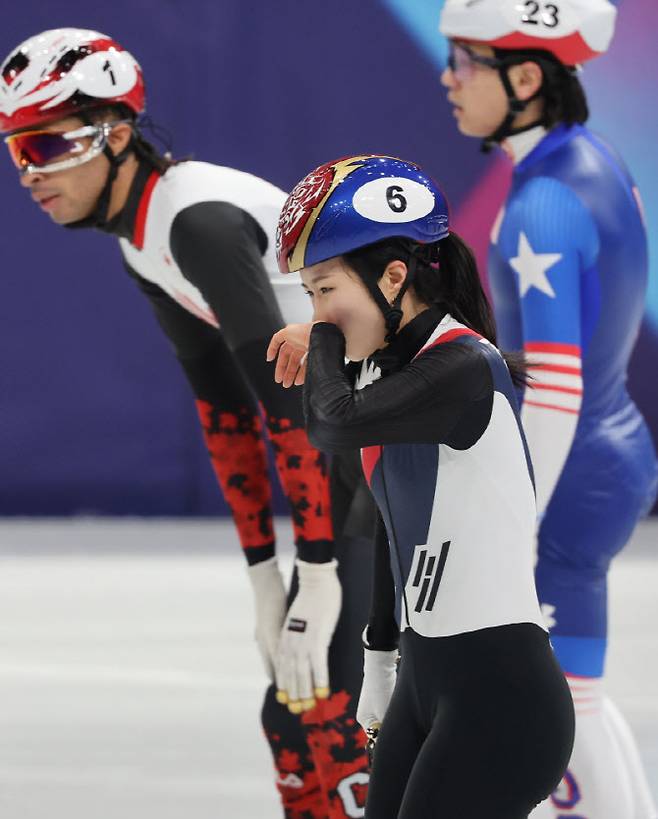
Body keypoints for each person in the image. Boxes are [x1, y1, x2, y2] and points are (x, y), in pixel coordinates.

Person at [0, 29, 372, 818]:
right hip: (351, 450)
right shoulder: (141, 241)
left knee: (331, 717)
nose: (30, 172)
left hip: (388, 452)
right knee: (296, 720)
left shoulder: (196, 222)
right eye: (16, 150)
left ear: (117, 136)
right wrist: (263, 577)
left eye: (48, 145)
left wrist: (317, 573)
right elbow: (226, 416)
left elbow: (288, 415)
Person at [268, 153, 575, 819]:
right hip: (425, 682)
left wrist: (319, 336)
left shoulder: (463, 366)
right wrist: (380, 660)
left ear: (393, 276)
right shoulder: (393, 374)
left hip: (502, 696)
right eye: (310, 296)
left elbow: (331, 421)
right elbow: (393, 527)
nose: (319, 312)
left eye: (324, 289)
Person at [439, 2, 658, 817]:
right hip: (604, 448)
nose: (449, 79)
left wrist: (514, 514)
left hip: (569, 467)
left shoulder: (545, 203)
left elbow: (556, 387)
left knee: (552, 716)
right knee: (580, 698)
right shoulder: (590, 160)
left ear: (526, 77)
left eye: (465, 61)